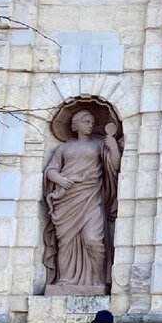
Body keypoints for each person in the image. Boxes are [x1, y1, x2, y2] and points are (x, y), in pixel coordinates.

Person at [43, 110, 122, 289]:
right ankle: (64, 280)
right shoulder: (64, 148)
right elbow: (50, 171)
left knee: (93, 239)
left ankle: (96, 279)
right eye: (86, 121)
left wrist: (114, 147)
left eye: (92, 121)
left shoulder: (99, 144)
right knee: (66, 242)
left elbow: (115, 166)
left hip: (92, 198)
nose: (90, 124)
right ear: (75, 124)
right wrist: (61, 180)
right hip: (67, 199)